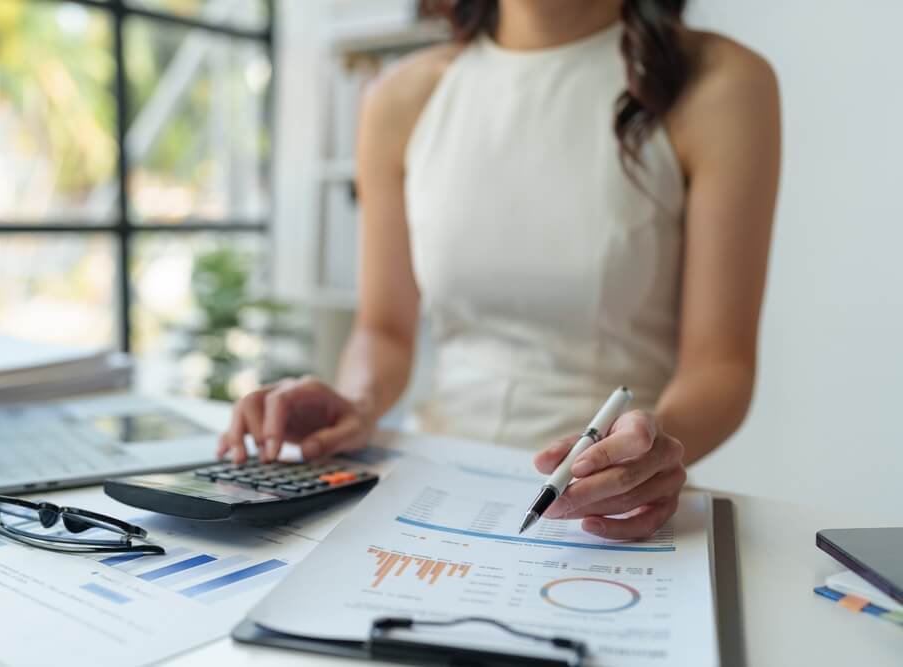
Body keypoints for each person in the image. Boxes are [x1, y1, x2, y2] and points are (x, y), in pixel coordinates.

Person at [218, 0, 780, 540]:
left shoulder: (724, 84)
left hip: (618, 507)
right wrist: (357, 402)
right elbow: (383, 329)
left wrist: (651, 447)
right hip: (430, 487)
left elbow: (720, 365)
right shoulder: (400, 97)